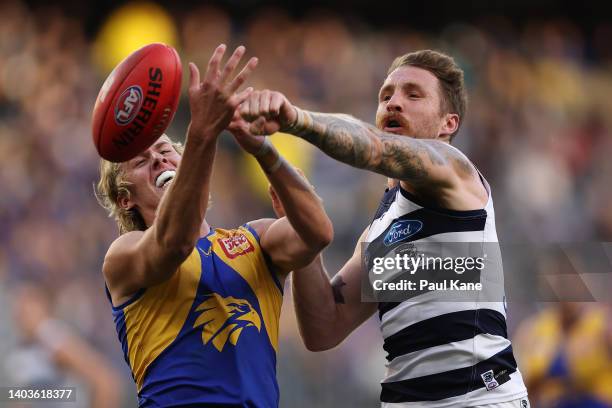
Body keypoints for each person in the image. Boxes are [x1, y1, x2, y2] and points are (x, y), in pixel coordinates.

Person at [239, 50, 529, 407]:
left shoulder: (454, 168)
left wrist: (296, 119)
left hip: (478, 400)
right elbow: (324, 327)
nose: (394, 102)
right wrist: (302, 228)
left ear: (448, 124)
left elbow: (374, 148)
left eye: (413, 94)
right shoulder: (382, 227)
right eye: (386, 95)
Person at [95, 44, 333, 408]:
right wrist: (201, 132)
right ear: (126, 199)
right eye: (142, 161)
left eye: (165, 150)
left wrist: (263, 150)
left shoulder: (254, 239)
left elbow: (317, 233)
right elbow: (176, 242)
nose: (159, 159)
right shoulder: (124, 256)